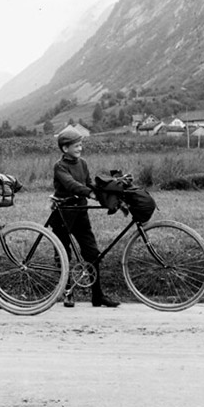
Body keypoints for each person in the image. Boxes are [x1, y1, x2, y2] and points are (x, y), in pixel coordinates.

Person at [47, 126, 120, 308]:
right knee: (63, 254)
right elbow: (71, 185)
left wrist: (104, 193)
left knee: (92, 253)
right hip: (63, 214)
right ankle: (67, 292)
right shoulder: (60, 167)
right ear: (65, 149)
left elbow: (88, 183)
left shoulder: (83, 163)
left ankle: (98, 296)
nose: (80, 149)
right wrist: (90, 193)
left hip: (80, 213)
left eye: (80, 145)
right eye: (76, 146)